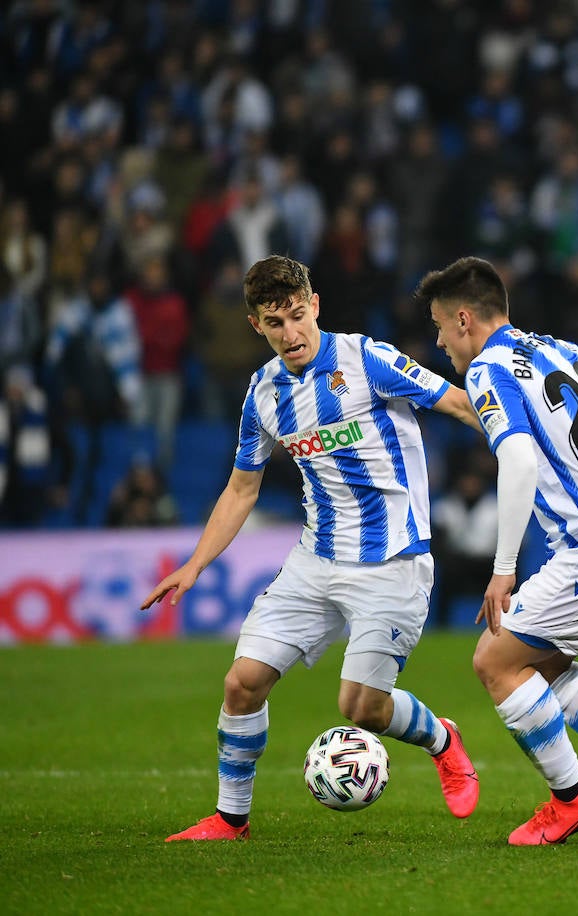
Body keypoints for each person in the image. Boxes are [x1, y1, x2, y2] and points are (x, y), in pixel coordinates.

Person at [142, 255, 480, 842]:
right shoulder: (264, 393)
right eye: (275, 324)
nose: (291, 334)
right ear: (257, 326)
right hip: (316, 560)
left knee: (363, 709)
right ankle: (231, 819)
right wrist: (195, 564)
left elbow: (456, 402)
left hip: (392, 562)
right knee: (241, 682)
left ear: (315, 304)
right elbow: (242, 487)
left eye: (298, 316)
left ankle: (443, 739)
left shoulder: (366, 358)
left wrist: (529, 443)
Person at [416, 255, 578, 846]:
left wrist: (503, 568)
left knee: (494, 660)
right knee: (540, 659)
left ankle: (574, 800)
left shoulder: (487, 371)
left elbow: (515, 459)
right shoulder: (553, 349)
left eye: (439, 327)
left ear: (464, 319)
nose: (440, 343)